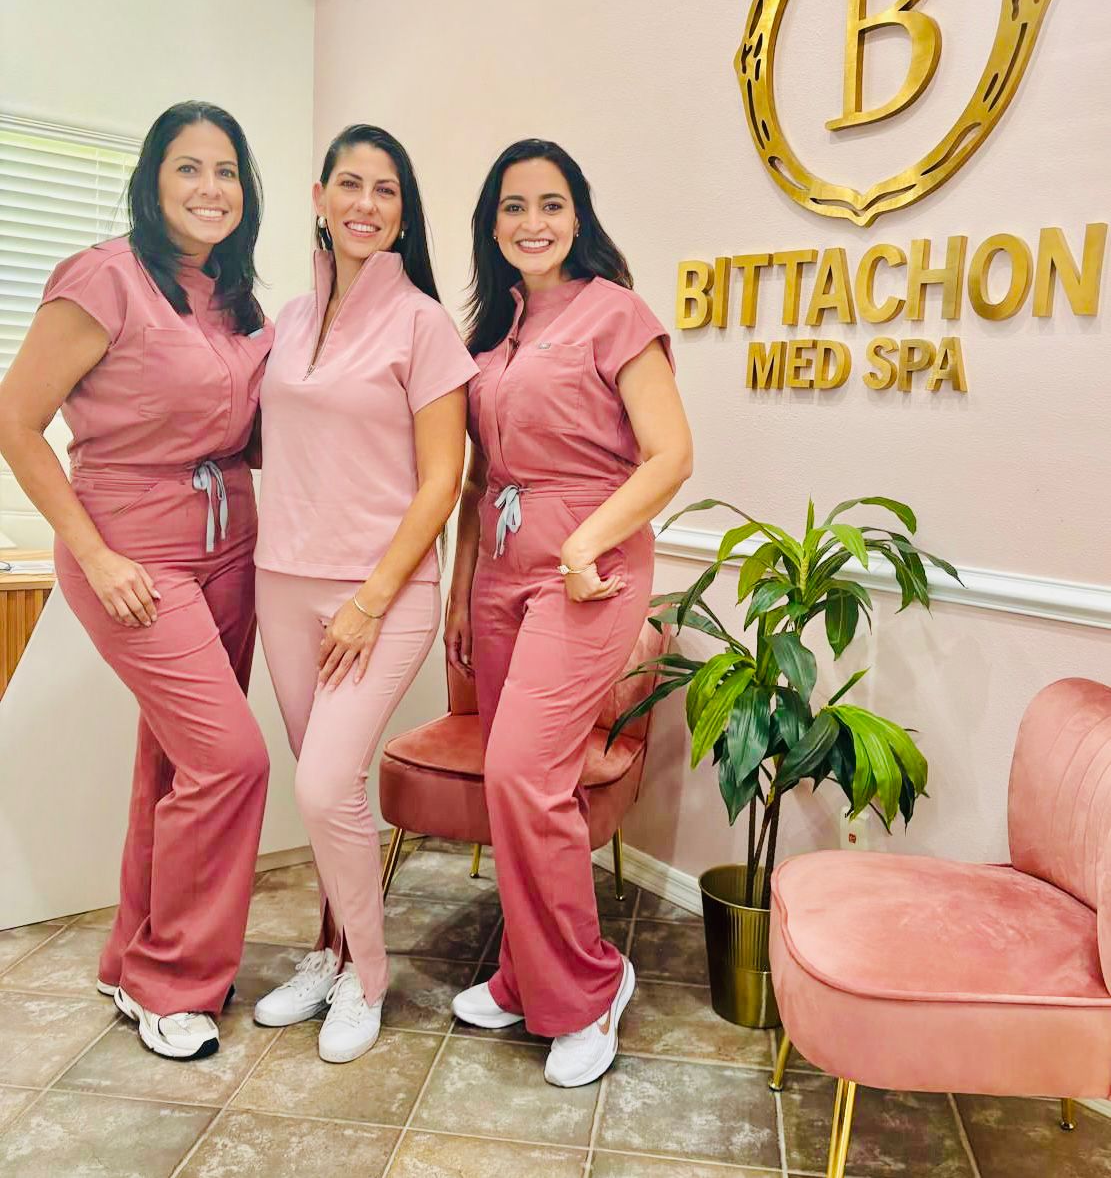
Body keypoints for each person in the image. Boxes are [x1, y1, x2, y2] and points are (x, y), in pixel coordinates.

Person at [0, 102, 274, 1060]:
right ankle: (175, 981)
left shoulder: (237, 299)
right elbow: (17, 421)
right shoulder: (103, 278)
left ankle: (131, 958)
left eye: (227, 172)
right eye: (189, 169)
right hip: (133, 549)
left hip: (230, 545)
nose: (210, 189)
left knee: (175, 763)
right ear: (153, 180)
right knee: (232, 760)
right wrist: (97, 553)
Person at [445, 139, 693, 1087]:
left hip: (586, 570)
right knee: (514, 780)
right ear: (493, 223)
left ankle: (590, 984)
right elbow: (476, 478)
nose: (532, 222)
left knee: (522, 772)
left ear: (579, 214)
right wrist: (467, 584)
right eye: (513, 206)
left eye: (551, 203)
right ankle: (522, 973)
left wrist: (587, 542)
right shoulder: (494, 330)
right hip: (502, 568)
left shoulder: (617, 313)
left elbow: (669, 454)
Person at [250, 125, 475, 1063]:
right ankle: (327, 950)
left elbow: (443, 476)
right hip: (281, 583)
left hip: (378, 594)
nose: (367, 204)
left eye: (387, 191)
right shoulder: (289, 321)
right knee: (324, 794)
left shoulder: (422, 321)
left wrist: (372, 597)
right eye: (351, 184)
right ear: (318, 195)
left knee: (322, 780)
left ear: (402, 212)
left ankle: (369, 978)